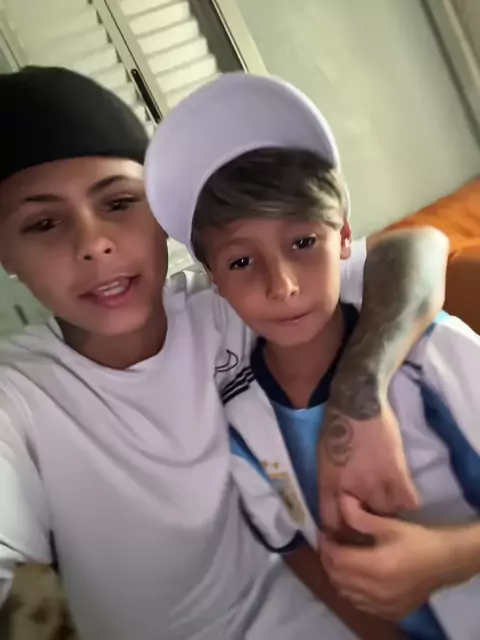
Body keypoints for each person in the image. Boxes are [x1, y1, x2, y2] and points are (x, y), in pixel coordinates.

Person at [0, 66, 447, 640]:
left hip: (324, 604)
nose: (93, 244)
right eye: (43, 223)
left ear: (161, 214)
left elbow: (418, 248)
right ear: (6, 254)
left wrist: (361, 393)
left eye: (119, 203)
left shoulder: (235, 301)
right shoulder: (19, 394)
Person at [145, 72, 480, 640]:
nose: (282, 286)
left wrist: (448, 558)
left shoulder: (434, 355)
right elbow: (297, 549)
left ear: (344, 238)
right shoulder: (240, 418)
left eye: (303, 243)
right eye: (241, 261)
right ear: (214, 279)